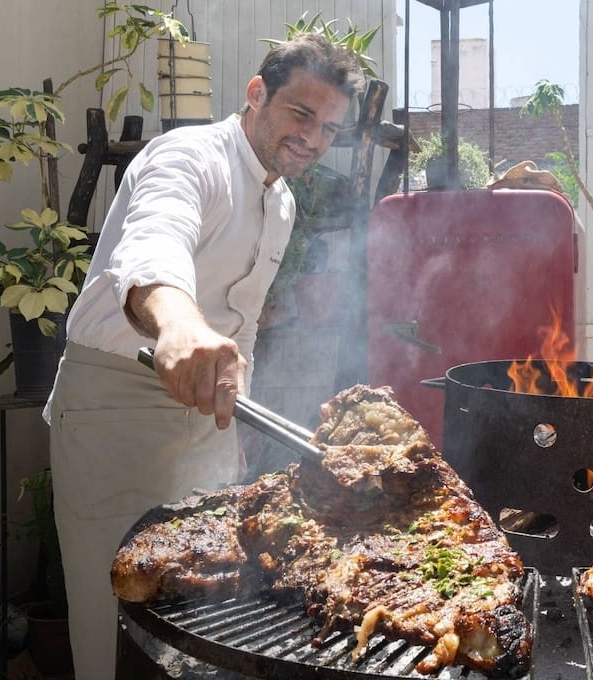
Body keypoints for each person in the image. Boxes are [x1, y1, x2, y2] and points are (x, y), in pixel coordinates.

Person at [44, 34, 363, 679]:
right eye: (301, 113)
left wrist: (233, 422)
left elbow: (241, 326)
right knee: (115, 619)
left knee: (201, 621)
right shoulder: (187, 157)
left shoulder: (282, 201)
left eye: (329, 128)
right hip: (118, 406)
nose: (312, 138)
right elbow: (153, 246)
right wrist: (179, 325)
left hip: (208, 409)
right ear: (257, 93)